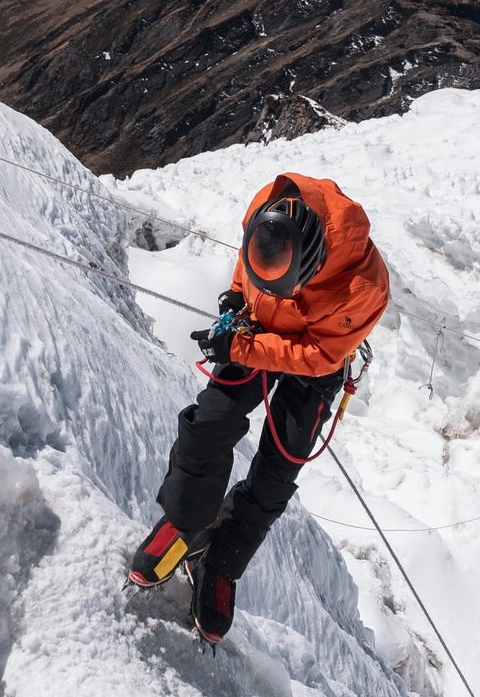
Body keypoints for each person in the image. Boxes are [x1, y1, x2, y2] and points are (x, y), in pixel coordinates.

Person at [128, 172, 390, 643]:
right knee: (210, 422)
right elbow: (247, 265)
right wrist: (235, 296)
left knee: (279, 467)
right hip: (253, 327)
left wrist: (243, 350)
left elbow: (317, 356)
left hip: (314, 358)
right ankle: (186, 521)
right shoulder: (267, 209)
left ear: (313, 266)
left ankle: (222, 560)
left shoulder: (364, 289)